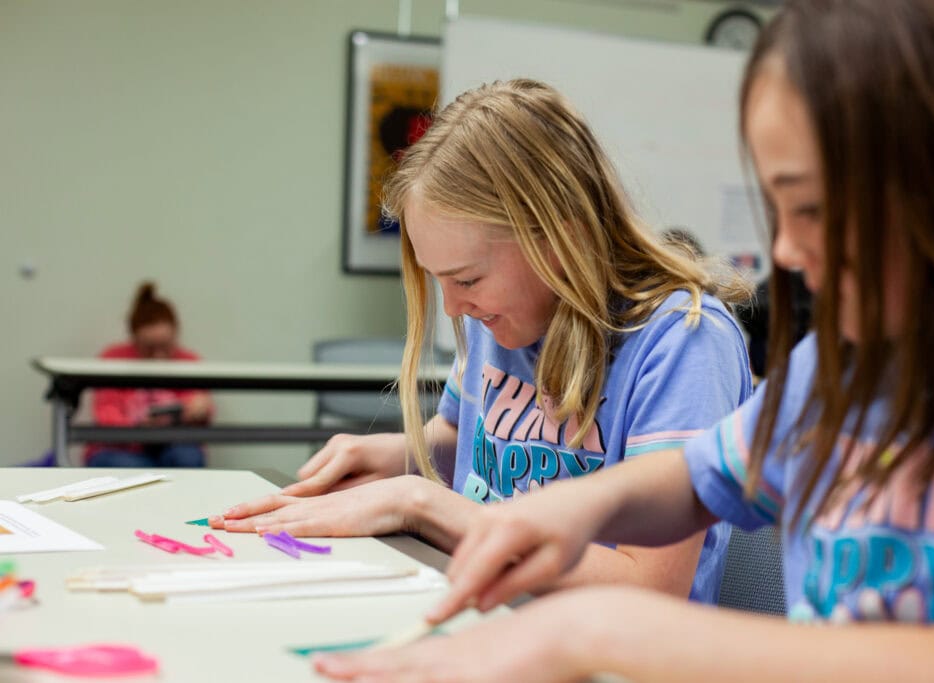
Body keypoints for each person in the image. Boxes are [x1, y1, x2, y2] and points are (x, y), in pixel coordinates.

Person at [308, 1, 934, 680]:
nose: (787, 251)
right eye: (778, 208)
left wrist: (594, 628)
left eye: (810, 209)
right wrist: (572, 507)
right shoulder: (833, 375)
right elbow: (694, 478)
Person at [210, 79, 754, 605]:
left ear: (562, 238)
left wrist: (422, 502)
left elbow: (648, 586)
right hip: (488, 611)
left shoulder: (684, 341)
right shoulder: (502, 313)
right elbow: (460, 430)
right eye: (438, 280)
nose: (452, 308)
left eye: (467, 280)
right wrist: (397, 455)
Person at [86, 282, 213, 468]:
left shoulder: (188, 361)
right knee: (134, 469)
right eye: (149, 349)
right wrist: (138, 426)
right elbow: (105, 413)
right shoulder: (114, 359)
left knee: (188, 457)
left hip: (172, 445)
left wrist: (200, 409)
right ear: (134, 338)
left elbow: (201, 410)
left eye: (166, 347)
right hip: (122, 449)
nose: (158, 356)